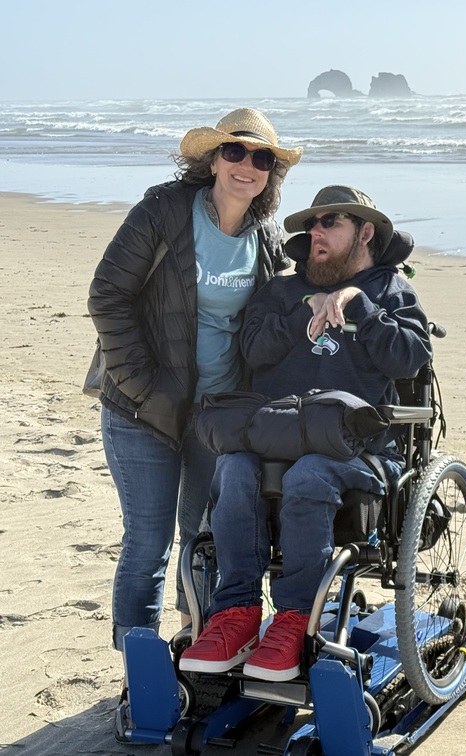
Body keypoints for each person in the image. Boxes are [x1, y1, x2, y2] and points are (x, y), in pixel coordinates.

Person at [179, 185, 432, 681]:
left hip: (359, 450)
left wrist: (358, 304)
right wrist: (306, 309)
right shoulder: (280, 291)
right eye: (311, 224)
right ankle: (238, 615)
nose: (314, 232)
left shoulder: (390, 291)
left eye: (329, 222)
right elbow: (253, 351)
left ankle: (296, 619)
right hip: (275, 438)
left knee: (311, 474)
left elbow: (411, 357)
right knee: (233, 466)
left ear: (364, 232)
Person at [87, 108, 302, 654]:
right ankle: (138, 665)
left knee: (204, 541)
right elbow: (108, 295)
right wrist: (144, 385)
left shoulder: (266, 238)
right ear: (212, 160)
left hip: (218, 418)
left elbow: (276, 317)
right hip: (143, 411)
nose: (246, 166)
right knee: (149, 543)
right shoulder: (163, 212)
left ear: (270, 174)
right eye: (235, 151)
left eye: (261, 158)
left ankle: (195, 648)